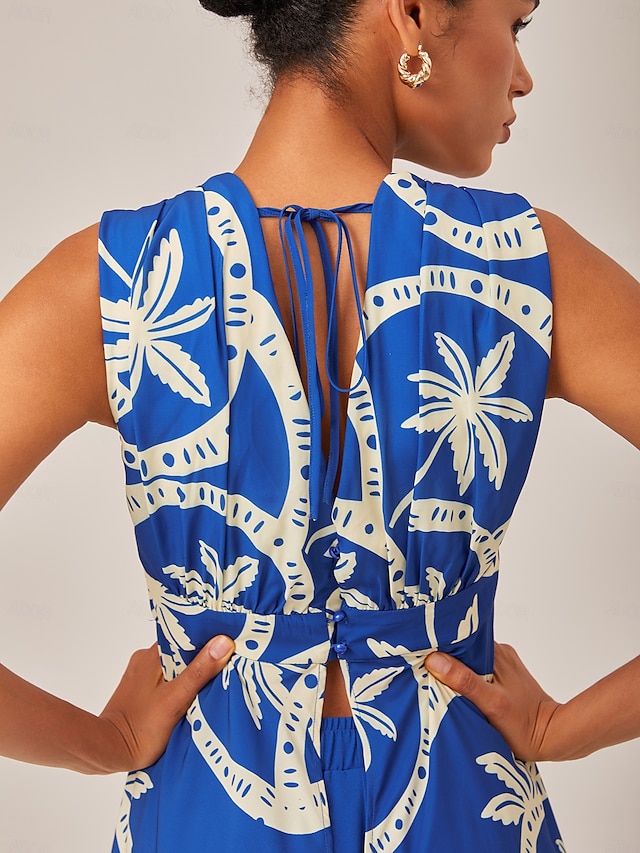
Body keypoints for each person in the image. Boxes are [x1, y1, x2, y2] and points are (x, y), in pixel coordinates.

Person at [0, 0, 638, 851]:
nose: (522, 77)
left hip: (208, 813)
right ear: (412, 12)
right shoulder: (527, 267)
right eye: (516, 24)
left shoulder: (116, 281)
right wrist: (566, 727)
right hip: (456, 808)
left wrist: (102, 742)